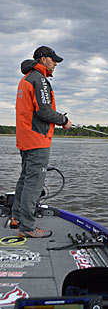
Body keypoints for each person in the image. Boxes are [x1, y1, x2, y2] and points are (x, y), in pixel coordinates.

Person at [11, 46, 72, 238]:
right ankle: (27, 227)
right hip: (37, 139)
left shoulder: (26, 78)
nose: (55, 64)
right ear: (43, 59)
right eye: (53, 60)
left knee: (25, 179)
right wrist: (63, 120)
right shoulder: (40, 80)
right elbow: (44, 111)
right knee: (34, 184)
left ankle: (17, 218)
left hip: (25, 138)